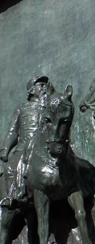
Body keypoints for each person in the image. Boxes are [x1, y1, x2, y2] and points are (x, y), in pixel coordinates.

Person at [0, 76, 50, 208]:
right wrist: (5, 149)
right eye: (41, 85)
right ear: (32, 90)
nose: (45, 88)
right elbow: (12, 131)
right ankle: (12, 197)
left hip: (45, 147)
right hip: (24, 147)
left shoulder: (50, 106)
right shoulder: (22, 108)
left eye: (46, 85)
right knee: (10, 168)